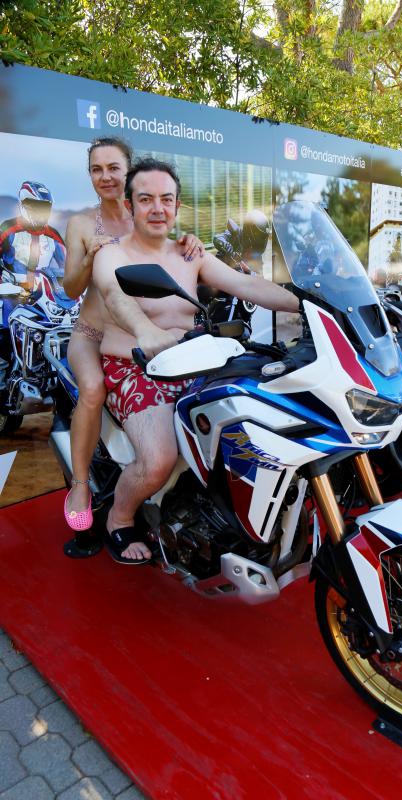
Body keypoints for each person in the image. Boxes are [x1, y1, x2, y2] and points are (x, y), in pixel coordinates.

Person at [91, 158, 299, 565]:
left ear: (177, 206)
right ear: (129, 206)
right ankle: (120, 517)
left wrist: (308, 303)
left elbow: (245, 284)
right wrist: (146, 331)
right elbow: (115, 295)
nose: (157, 208)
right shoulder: (110, 254)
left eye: (166, 199)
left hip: (193, 362)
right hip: (135, 367)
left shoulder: (191, 254)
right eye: (146, 199)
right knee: (159, 459)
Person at [62, 137, 204, 551]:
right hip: (94, 333)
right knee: (93, 389)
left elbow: (168, 250)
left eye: (114, 168)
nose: (105, 176)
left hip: (142, 338)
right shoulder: (82, 224)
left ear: (128, 173)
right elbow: (70, 289)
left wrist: (189, 240)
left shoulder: (145, 210)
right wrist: (91, 256)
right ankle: (81, 485)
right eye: (96, 169)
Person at [0, 181, 65, 289]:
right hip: (12, 291)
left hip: (45, 293)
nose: (41, 212)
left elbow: (67, 265)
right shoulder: (8, 228)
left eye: (45, 207)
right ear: (24, 205)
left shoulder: (53, 234)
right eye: (37, 206)